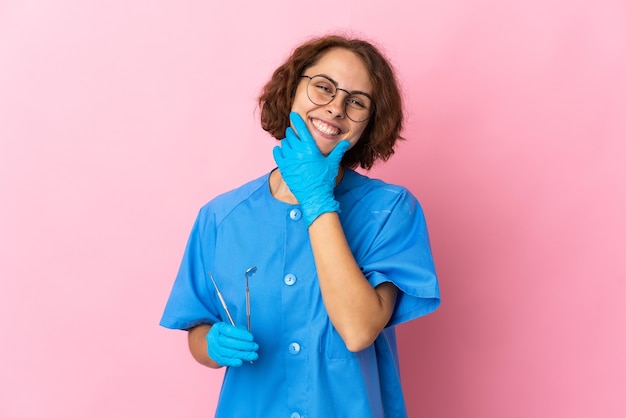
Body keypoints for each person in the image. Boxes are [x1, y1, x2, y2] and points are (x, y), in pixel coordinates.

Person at [160, 34, 441, 418]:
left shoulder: (389, 211)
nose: (336, 108)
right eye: (323, 87)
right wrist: (210, 344)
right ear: (293, 88)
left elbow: (359, 331)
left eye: (356, 101)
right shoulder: (221, 217)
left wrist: (317, 199)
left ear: (369, 122)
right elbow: (197, 328)